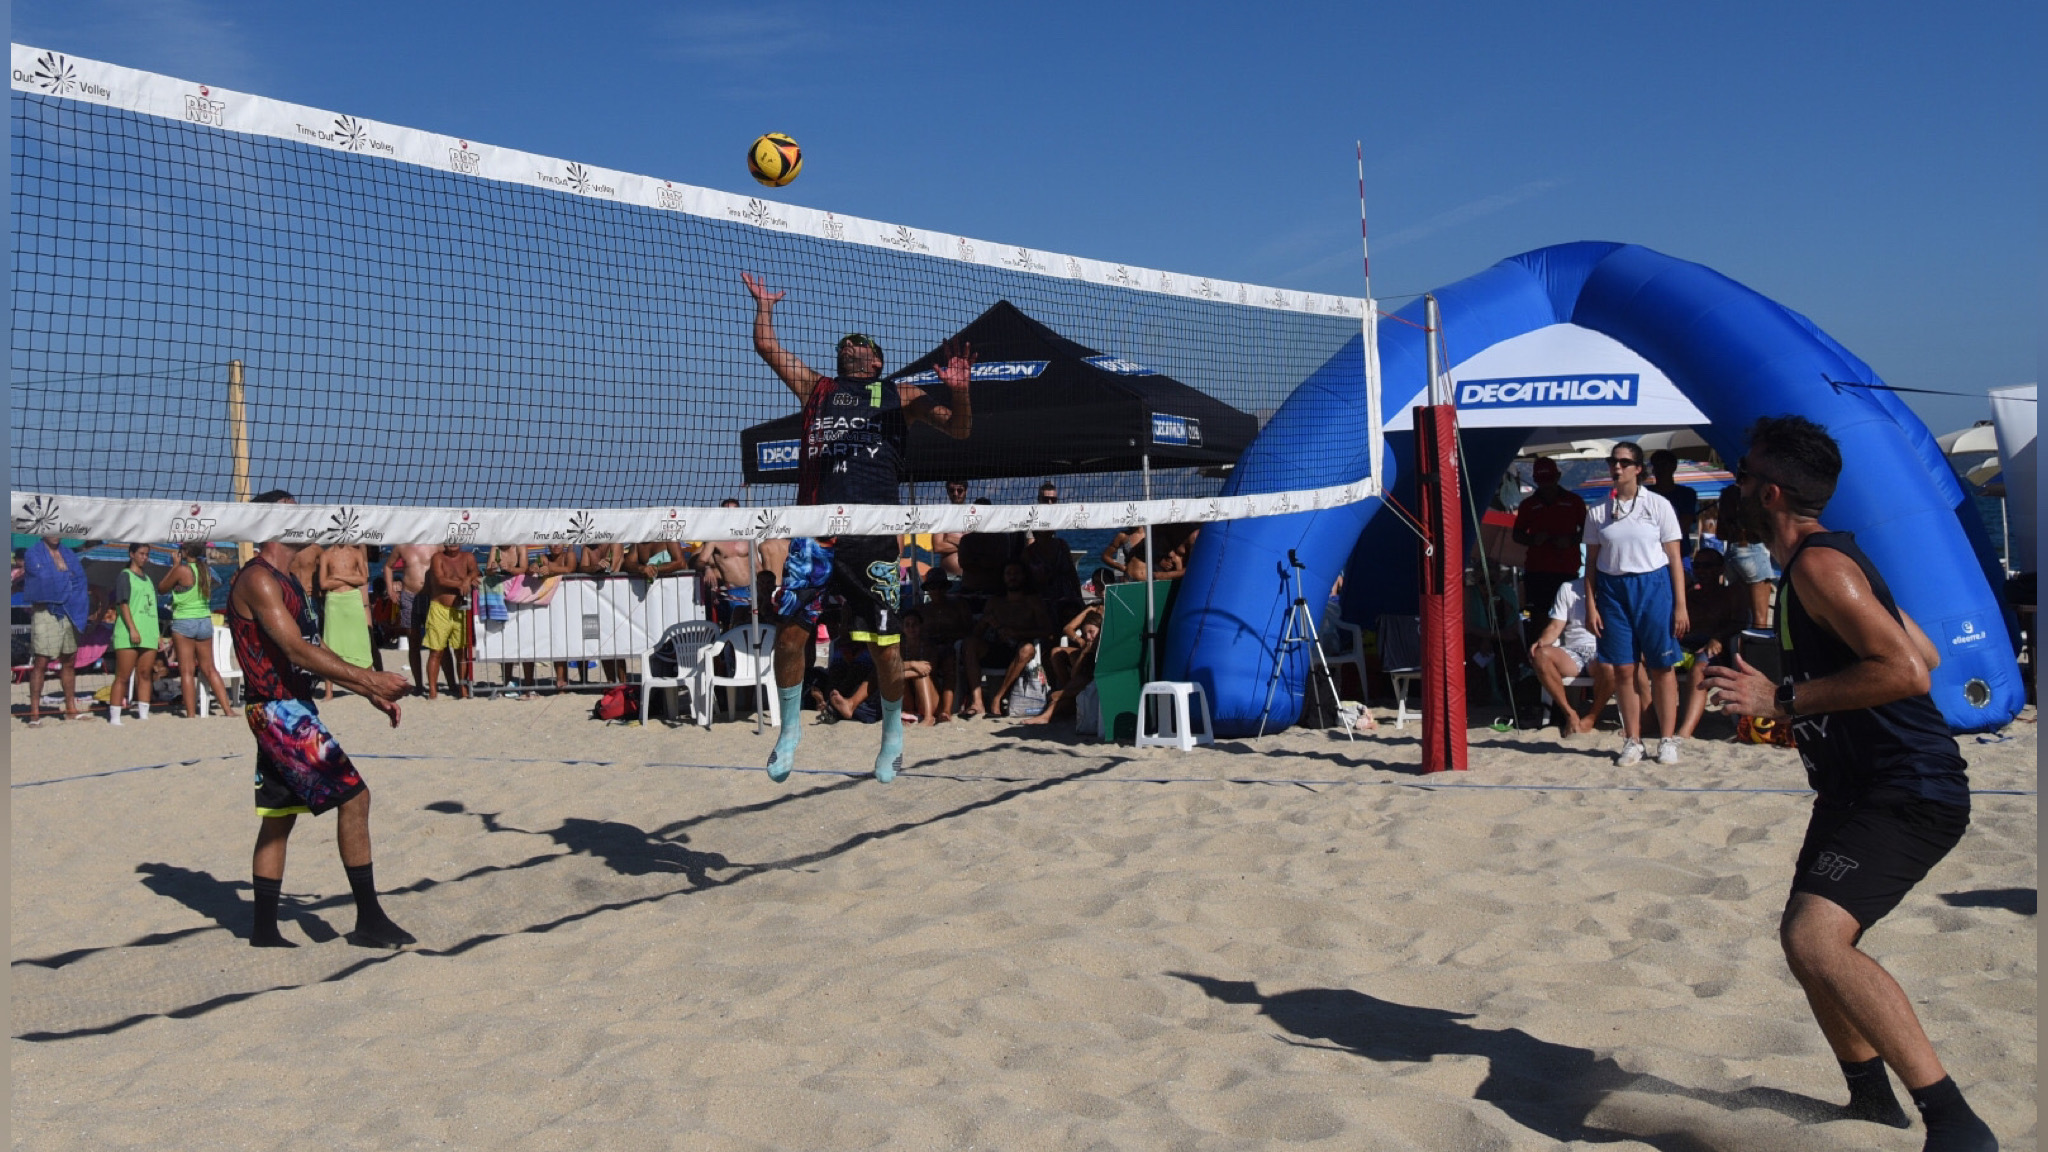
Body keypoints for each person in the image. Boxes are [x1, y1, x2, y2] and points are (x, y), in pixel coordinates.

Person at [1702, 416, 1996, 1151]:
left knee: (1818, 939)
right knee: (1804, 943)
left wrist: (1788, 701)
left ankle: (1955, 1124)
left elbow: (1907, 669)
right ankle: (1871, 1102)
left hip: (1910, 788)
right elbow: (1917, 642)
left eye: (1742, 471)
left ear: (1769, 493)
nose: (1733, 481)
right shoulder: (1826, 566)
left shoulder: (1819, 566)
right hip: (1856, 787)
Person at [742, 271, 973, 782]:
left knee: (884, 646)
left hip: (872, 536)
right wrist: (764, 305)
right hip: (817, 532)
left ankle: (892, 733)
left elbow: (959, 429)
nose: (852, 344)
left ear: (876, 362)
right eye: (846, 342)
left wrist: (960, 392)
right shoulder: (817, 389)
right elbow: (765, 344)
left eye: (862, 344)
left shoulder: (900, 395)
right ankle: (789, 730)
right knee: (790, 637)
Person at [229, 490, 415, 950]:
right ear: (271, 524)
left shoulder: (289, 579)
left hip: (287, 706)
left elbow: (316, 648)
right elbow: (294, 650)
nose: (308, 521)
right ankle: (369, 920)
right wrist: (371, 682)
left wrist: (367, 685)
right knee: (356, 799)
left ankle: (264, 931)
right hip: (277, 710)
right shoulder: (259, 580)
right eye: (295, 515)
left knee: (279, 818)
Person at [1583, 441, 1689, 766]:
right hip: (1613, 588)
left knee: (1661, 666)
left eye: (1624, 462)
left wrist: (1681, 605)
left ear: (1638, 468)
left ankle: (1667, 740)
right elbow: (1590, 565)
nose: (1617, 468)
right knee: (1623, 668)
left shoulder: (1657, 505)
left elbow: (1674, 559)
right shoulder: (1598, 510)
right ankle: (1633, 739)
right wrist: (1590, 605)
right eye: (1613, 462)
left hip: (1653, 585)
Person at [1673, 547, 1749, 739]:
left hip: (1716, 644)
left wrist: (1717, 637)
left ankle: (1685, 730)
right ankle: (1652, 720)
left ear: (1720, 569)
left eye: (1707, 566)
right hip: (1686, 644)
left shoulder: (1731, 594)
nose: (1701, 571)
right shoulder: (1688, 595)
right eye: (1697, 566)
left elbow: (1739, 623)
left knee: (1700, 668)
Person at [962, 561, 1053, 718]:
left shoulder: (1032, 602)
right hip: (996, 646)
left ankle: (998, 697)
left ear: (1024, 576)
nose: (1012, 577)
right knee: (970, 644)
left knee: (1027, 649)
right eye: (1008, 574)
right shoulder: (995, 602)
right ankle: (977, 701)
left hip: (1019, 648)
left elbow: (1048, 632)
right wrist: (986, 621)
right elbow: (976, 633)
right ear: (1003, 578)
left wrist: (1017, 633)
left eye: (1016, 574)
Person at [1512, 456, 1588, 645]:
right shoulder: (1528, 505)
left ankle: (1569, 652)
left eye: (1549, 480)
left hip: (1567, 569)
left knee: (1570, 613)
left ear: (1558, 476)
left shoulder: (1574, 501)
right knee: (1539, 615)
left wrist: (1570, 540)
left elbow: (1589, 531)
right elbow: (1517, 534)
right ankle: (1539, 655)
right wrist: (1533, 539)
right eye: (1541, 481)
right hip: (1538, 569)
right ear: (1536, 480)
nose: (1546, 485)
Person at [157, 542, 238, 718]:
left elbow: (162, 588)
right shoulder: (205, 570)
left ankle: (191, 714)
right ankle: (228, 709)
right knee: (209, 668)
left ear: (185, 552)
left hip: (185, 620)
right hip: (204, 619)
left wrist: (175, 566)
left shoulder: (183, 570)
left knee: (186, 671)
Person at [22, 535, 89, 725]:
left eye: (58, 530)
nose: (55, 534)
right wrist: (66, 580)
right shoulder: (33, 553)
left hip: (70, 609)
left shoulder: (68, 553)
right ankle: (34, 713)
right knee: (41, 661)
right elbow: (42, 580)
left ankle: (70, 708)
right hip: (45, 610)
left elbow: (80, 579)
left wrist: (62, 581)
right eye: (51, 530)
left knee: (69, 660)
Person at [1527, 579, 1605, 736]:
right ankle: (1569, 713)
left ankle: (1592, 715)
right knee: (1541, 655)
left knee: (1613, 663)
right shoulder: (1569, 588)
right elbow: (1555, 626)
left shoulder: (1613, 586)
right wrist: (1542, 641)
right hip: (1573, 650)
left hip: (1602, 648)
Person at [107, 542, 162, 725]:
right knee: (123, 675)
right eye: (141, 553)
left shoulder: (148, 578)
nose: (144, 557)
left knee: (146, 673)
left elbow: (152, 607)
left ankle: (143, 713)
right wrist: (132, 629)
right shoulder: (125, 576)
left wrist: (157, 633)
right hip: (129, 632)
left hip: (149, 630)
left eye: (147, 554)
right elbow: (123, 604)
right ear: (132, 554)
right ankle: (115, 716)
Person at [421, 543, 479, 700]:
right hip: (439, 608)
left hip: (461, 609)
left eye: (455, 540)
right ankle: (433, 689)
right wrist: (464, 582)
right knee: (436, 651)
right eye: (449, 541)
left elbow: (476, 571)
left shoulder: (468, 557)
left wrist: (468, 578)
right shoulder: (438, 557)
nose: (452, 544)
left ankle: (462, 686)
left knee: (461, 652)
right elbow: (440, 580)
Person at [319, 542, 374, 701]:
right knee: (330, 643)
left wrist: (338, 577)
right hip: (334, 600)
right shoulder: (326, 554)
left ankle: (370, 685)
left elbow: (363, 578)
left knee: (361, 641)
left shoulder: (356, 553)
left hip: (352, 599)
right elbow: (323, 583)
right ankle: (329, 691)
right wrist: (349, 580)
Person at [698, 499, 758, 630]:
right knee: (736, 629)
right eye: (727, 512)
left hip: (753, 589)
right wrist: (707, 568)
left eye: (734, 512)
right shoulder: (715, 539)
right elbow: (699, 561)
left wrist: (767, 585)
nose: (731, 515)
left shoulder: (748, 536)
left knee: (758, 628)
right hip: (733, 592)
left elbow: (757, 565)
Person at [391, 542, 436, 690]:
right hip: (409, 595)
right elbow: (387, 566)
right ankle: (418, 685)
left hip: (430, 595)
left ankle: (446, 683)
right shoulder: (402, 546)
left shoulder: (437, 544)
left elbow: (451, 559)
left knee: (437, 643)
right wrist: (390, 589)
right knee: (413, 641)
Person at [1645, 449, 1701, 560]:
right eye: (1656, 465)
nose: (1660, 469)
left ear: (1673, 467)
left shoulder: (1686, 494)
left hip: (1680, 553)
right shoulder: (1644, 493)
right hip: (1651, 554)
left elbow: (1684, 525)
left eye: (1664, 464)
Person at [930, 480, 970, 580]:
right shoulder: (942, 515)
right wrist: (968, 546)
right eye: (952, 490)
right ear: (947, 492)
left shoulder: (974, 515)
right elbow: (938, 547)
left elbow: (979, 546)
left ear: (966, 491)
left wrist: (950, 539)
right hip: (949, 578)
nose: (955, 494)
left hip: (971, 577)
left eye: (959, 490)